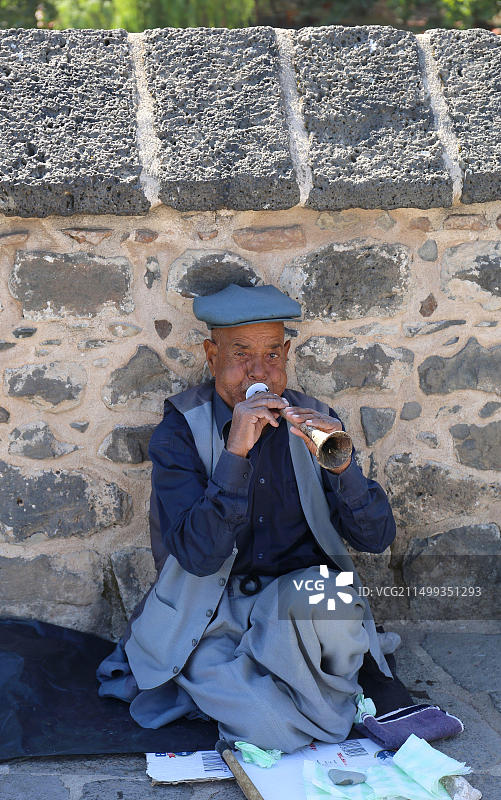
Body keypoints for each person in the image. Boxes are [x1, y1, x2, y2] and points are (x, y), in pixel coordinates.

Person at [97, 283, 397, 753]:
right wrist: (235, 451)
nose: (260, 372)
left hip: (298, 606)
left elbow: (377, 538)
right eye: (242, 355)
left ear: (288, 354)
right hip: (212, 610)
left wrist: (344, 467)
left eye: (273, 355)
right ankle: (302, 704)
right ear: (211, 355)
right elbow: (198, 556)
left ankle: (267, 692)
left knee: (335, 602)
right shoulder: (180, 429)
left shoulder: (314, 417)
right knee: (266, 729)